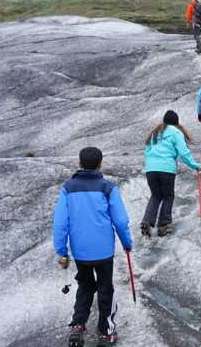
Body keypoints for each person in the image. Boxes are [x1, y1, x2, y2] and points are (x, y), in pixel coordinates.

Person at [52, 147, 133, 347]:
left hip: (81, 251)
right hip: (103, 251)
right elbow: (120, 221)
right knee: (106, 288)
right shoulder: (107, 187)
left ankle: (78, 326)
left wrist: (62, 253)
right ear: (100, 165)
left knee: (85, 286)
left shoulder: (68, 188)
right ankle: (106, 333)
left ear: (80, 165)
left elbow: (60, 223)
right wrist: (127, 243)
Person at [140, 110, 201, 238]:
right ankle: (163, 226)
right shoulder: (176, 132)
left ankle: (148, 220)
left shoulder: (155, 133)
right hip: (166, 168)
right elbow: (183, 153)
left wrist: (150, 165)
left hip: (151, 169)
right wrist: (195, 165)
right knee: (168, 196)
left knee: (156, 196)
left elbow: (147, 152)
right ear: (176, 123)